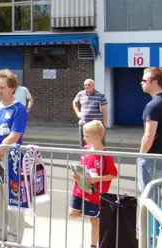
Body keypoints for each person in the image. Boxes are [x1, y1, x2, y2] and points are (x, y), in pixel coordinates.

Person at [0, 69, 28, 244]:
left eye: (2, 87)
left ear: (12, 88)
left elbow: (14, 136)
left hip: (10, 161)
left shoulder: (19, 109)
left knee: (13, 201)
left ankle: (14, 238)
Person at [68, 120, 118, 248]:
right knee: (73, 213)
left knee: (94, 221)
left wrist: (97, 179)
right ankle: (99, 218)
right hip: (80, 189)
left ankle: (93, 245)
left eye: (86, 136)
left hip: (94, 194)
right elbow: (83, 167)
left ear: (97, 137)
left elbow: (114, 174)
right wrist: (76, 175)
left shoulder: (106, 155)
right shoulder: (85, 149)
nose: (84, 138)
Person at [138, 67, 162, 193]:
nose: (141, 83)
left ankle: (151, 213)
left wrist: (141, 156)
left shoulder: (153, 106)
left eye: (144, 80)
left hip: (154, 157)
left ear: (154, 82)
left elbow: (148, 136)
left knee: (149, 194)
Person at [73, 79, 108, 147]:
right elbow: (74, 103)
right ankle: (86, 157)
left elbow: (104, 111)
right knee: (84, 144)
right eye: (85, 85)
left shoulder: (100, 95)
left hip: (96, 126)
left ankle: (100, 157)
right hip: (84, 123)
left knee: (99, 143)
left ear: (93, 85)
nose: (87, 86)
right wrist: (78, 113)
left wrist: (104, 124)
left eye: (89, 84)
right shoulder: (80, 94)